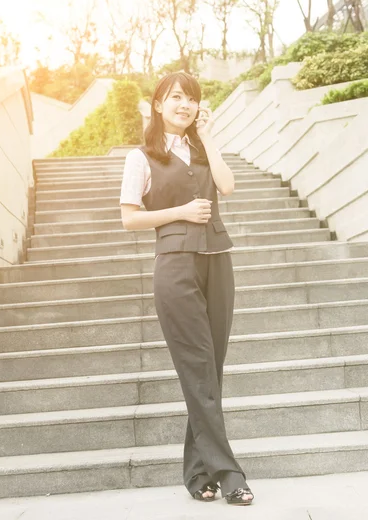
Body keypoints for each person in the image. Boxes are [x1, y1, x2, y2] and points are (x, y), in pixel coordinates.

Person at [119, 71, 254, 506]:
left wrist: (208, 136)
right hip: (175, 268)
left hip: (218, 262)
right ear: (158, 104)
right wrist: (179, 211)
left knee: (209, 371)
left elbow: (228, 186)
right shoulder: (142, 157)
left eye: (192, 99)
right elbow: (129, 217)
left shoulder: (201, 148)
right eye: (176, 97)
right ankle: (229, 472)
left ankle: (198, 474)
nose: (185, 105)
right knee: (198, 369)